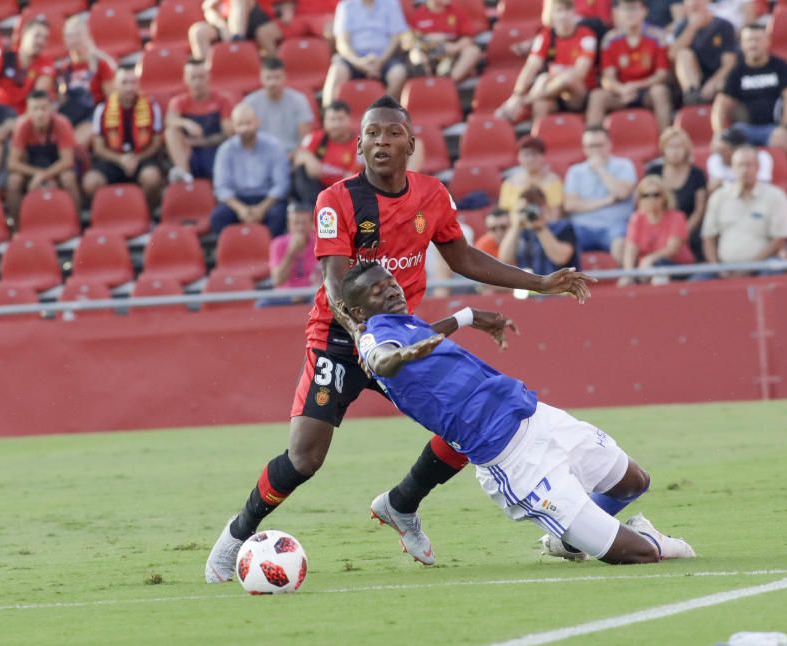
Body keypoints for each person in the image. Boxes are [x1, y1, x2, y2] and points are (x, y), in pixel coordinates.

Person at [204, 96, 594, 583]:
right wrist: (359, 335)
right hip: (339, 339)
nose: (381, 142)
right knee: (305, 457)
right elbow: (335, 280)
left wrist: (536, 282)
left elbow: (464, 258)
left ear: (411, 143)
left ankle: (402, 503)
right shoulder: (336, 201)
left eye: (392, 133)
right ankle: (238, 534)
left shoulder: (432, 196)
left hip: (399, 336)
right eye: (371, 134)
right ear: (359, 146)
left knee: (466, 424)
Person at [339, 261, 696, 564]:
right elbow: (380, 358)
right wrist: (399, 357)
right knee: (641, 554)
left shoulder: (406, 325)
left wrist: (466, 316)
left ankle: (568, 541)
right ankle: (639, 537)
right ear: (359, 313)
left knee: (634, 481)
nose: (391, 291)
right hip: (514, 462)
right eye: (377, 291)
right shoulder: (377, 336)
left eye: (392, 283)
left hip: (538, 418)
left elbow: (422, 336)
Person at [495, 0, 599, 124]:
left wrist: (522, 98)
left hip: (579, 94)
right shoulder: (545, 36)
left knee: (563, 79)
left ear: (574, 12)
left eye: (567, 10)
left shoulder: (586, 35)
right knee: (541, 98)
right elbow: (531, 66)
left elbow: (579, 74)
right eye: (559, 11)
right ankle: (536, 137)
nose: (563, 16)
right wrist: (517, 94)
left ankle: (524, 103)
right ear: (552, 14)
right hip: (552, 93)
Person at [701, 146, 787, 276]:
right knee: (696, 282)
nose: (745, 170)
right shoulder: (719, 197)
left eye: (749, 165)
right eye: (740, 165)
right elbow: (708, 237)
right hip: (724, 268)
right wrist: (717, 269)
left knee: (772, 271)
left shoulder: (776, 196)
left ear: (758, 167)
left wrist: (749, 268)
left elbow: (779, 239)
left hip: (763, 265)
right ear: (732, 168)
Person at [82, 64, 165, 208]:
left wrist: (136, 158)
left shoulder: (152, 107)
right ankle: (111, 213)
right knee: (91, 182)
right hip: (112, 159)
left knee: (152, 178)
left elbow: (156, 143)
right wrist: (121, 159)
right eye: (124, 83)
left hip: (142, 157)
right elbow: (98, 147)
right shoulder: (102, 109)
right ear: (115, 84)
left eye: (133, 82)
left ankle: (144, 214)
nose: (129, 88)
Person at [712, 23, 787, 153]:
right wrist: (720, 133)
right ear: (742, 44)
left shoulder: (780, 67)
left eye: (757, 40)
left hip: (774, 128)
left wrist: (784, 128)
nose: (753, 44)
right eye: (748, 40)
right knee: (722, 146)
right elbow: (721, 106)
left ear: (767, 42)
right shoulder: (736, 72)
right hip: (744, 129)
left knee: (782, 141)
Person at [589, 0, 673, 130]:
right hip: (621, 92)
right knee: (597, 96)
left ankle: (666, 139)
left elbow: (662, 74)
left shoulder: (657, 36)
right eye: (625, 9)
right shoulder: (610, 39)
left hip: (647, 91)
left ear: (644, 11)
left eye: (633, 9)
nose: (629, 14)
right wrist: (621, 89)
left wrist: (637, 86)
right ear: (618, 13)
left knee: (660, 92)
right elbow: (608, 78)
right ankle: (593, 140)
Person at [210, 103, 290, 236]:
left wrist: (262, 209)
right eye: (240, 124)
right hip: (237, 200)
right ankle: (234, 251)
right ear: (233, 126)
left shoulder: (274, 146)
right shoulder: (225, 150)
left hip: (267, 198)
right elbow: (221, 187)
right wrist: (240, 209)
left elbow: (281, 184)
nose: (245, 128)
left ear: (257, 122)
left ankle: (269, 252)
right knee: (218, 217)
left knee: (279, 215)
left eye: (249, 123)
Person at [563, 125, 637, 261]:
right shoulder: (575, 171)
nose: (595, 150)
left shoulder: (624, 165)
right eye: (591, 146)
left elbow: (621, 193)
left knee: (622, 245)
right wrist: (608, 200)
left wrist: (600, 169)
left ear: (609, 144)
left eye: (599, 145)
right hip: (582, 227)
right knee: (562, 246)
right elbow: (570, 205)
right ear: (584, 148)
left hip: (615, 226)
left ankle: (628, 280)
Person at [5, 91, 79, 220]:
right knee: (13, 181)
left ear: (51, 109)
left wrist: (43, 176)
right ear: (28, 111)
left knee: (68, 178)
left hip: (57, 166)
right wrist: (37, 174)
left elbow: (67, 161)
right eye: (35, 109)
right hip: (33, 167)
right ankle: (17, 227)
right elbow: (12, 163)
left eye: (43, 108)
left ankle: (75, 222)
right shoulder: (22, 126)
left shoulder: (61, 123)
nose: (39, 114)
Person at [323, 0, 410, 106]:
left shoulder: (391, 4)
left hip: (385, 58)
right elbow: (342, 44)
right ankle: (329, 112)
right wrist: (359, 62)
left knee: (398, 73)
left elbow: (395, 38)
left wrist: (381, 61)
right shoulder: (346, 6)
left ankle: (384, 111)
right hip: (354, 58)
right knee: (337, 71)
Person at [166, 59, 234, 184]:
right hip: (189, 153)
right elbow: (170, 121)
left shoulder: (222, 100)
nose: (197, 82)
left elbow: (228, 134)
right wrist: (186, 123)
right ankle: (184, 175)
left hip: (214, 151)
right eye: (193, 77)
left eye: (201, 77)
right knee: (171, 132)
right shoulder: (179, 102)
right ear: (185, 79)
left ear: (208, 77)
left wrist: (202, 142)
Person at [618, 174, 694, 286]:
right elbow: (630, 248)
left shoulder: (676, 217)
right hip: (646, 269)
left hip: (677, 267)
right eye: (646, 195)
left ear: (664, 196)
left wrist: (650, 259)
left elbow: (672, 249)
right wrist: (628, 274)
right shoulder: (637, 218)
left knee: (659, 272)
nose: (651, 199)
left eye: (656, 195)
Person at [645, 127, 707, 261]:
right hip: (657, 226)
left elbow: (699, 210)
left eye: (679, 146)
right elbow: (644, 202)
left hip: (689, 227)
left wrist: (682, 232)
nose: (675, 151)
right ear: (663, 149)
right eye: (671, 147)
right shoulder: (653, 171)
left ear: (686, 149)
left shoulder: (697, 174)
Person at [57, 14, 117, 151]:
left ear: (87, 36)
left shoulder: (100, 63)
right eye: (70, 36)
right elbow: (62, 98)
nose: (74, 40)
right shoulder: (64, 68)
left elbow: (112, 98)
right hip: (71, 114)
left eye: (78, 35)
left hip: (94, 113)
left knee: (75, 144)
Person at [291, 100, 361, 210]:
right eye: (332, 119)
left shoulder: (359, 145)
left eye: (340, 119)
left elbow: (352, 178)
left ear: (349, 120)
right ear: (324, 121)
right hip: (317, 190)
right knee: (300, 170)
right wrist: (309, 159)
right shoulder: (316, 137)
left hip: (343, 193)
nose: (336, 125)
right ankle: (312, 210)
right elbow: (298, 156)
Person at [0, 17, 55, 115]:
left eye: (45, 38)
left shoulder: (46, 64)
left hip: (26, 118)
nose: (41, 41)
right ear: (24, 35)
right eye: (37, 36)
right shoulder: (2, 55)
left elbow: (39, 98)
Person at [498, 186, 579, 275]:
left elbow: (561, 258)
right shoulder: (520, 232)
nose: (527, 214)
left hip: (559, 286)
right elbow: (504, 259)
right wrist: (516, 226)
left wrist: (540, 228)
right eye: (522, 210)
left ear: (544, 208)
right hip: (528, 285)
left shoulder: (563, 227)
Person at [670, 0, 737, 105]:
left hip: (718, 78)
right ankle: (693, 95)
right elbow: (672, 55)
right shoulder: (683, 26)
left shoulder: (723, 26)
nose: (693, 3)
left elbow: (729, 63)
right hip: (692, 79)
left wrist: (713, 82)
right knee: (683, 54)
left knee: (723, 86)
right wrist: (692, 28)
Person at [243, 58, 315, 157]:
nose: (272, 83)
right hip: (260, 155)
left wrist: (293, 155)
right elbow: (246, 136)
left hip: (292, 154)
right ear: (261, 78)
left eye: (277, 78)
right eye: (268, 78)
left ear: (285, 78)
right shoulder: (250, 103)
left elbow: (305, 139)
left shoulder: (299, 100)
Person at [405, 0, 482, 83]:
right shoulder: (418, 15)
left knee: (473, 51)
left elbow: (468, 37)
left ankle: (448, 83)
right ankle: (428, 83)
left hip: (452, 52)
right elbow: (409, 42)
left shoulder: (457, 11)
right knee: (415, 54)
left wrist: (455, 47)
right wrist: (429, 39)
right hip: (430, 53)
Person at [189, 0, 282, 60]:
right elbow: (209, 9)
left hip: (253, 22)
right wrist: (223, 27)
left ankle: (237, 44)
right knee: (198, 31)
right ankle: (204, 73)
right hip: (224, 25)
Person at [498, 136, 564, 212]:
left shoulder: (553, 181)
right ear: (518, 157)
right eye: (525, 155)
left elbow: (556, 214)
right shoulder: (510, 182)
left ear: (543, 157)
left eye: (534, 155)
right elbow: (503, 212)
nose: (530, 159)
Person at [705, 125, 773, 193]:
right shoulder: (715, 159)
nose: (720, 153)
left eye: (724, 150)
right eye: (720, 149)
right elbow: (717, 188)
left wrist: (726, 184)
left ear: (737, 150)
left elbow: (763, 185)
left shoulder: (761, 157)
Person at [270, 206, 321, 290]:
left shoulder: (319, 243)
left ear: (311, 224)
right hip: (286, 295)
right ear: (289, 224)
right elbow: (277, 280)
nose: (300, 227)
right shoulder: (278, 243)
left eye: (304, 223)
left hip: (312, 293)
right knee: (262, 303)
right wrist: (291, 253)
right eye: (296, 223)